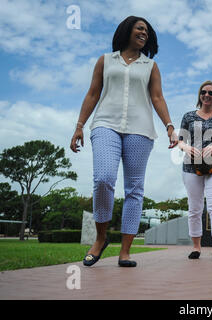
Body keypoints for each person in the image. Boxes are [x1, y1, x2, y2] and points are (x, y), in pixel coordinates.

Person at [70, 16, 178, 267]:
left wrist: (170, 127)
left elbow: (158, 98)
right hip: (105, 124)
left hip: (140, 129)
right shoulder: (105, 61)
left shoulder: (150, 65)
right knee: (104, 179)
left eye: (147, 31)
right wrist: (79, 126)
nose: (144, 33)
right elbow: (93, 93)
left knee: (134, 190)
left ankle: (125, 251)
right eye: (140, 28)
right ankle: (100, 239)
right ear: (127, 30)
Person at [178, 80, 212, 261]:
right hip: (191, 167)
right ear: (199, 95)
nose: (206, 95)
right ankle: (196, 247)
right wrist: (186, 148)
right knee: (195, 208)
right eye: (203, 92)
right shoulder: (188, 117)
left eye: (211, 93)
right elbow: (180, 141)